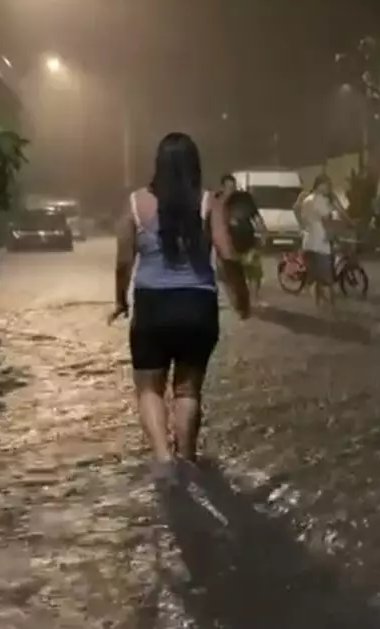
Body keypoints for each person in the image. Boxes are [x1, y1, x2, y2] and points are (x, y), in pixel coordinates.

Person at [111, 132, 250, 488]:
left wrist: (120, 300)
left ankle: (163, 460)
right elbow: (228, 254)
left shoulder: (134, 203)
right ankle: (187, 460)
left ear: (158, 163)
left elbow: (124, 261)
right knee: (188, 390)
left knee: (149, 389)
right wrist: (241, 299)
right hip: (198, 306)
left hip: (153, 306)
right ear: (194, 164)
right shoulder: (209, 202)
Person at [216, 174, 267, 300]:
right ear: (222, 188)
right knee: (227, 276)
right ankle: (235, 300)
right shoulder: (217, 200)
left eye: (233, 186)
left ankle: (254, 298)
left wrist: (263, 231)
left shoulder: (244, 198)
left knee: (254, 271)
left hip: (247, 241)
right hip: (226, 245)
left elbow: (255, 216)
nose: (231, 190)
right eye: (228, 187)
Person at [299, 174, 339, 308]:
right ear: (320, 185)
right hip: (321, 244)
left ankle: (317, 306)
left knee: (315, 278)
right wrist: (331, 234)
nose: (329, 188)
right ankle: (332, 309)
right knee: (327, 280)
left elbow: (302, 218)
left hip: (308, 243)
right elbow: (326, 220)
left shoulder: (306, 200)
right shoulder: (320, 200)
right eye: (327, 185)